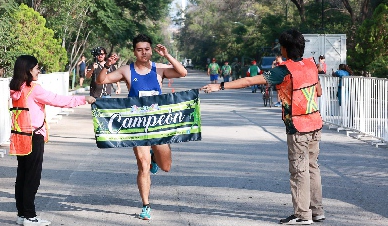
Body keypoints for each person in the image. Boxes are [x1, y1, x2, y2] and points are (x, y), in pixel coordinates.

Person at [201, 29, 325, 225]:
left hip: (298, 126)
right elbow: (318, 91)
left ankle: (302, 215)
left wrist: (221, 86)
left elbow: (250, 80)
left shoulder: (283, 70)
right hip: (315, 123)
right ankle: (317, 211)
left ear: (284, 49)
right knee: (312, 167)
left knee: (299, 170)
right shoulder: (311, 65)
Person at [96, 34, 187, 220]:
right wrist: (106, 65)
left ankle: (156, 158)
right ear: (134, 51)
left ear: (151, 50)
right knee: (142, 165)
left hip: (159, 124)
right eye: (139, 49)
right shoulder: (126, 70)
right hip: (137, 124)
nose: (143, 53)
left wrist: (167, 55)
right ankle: (146, 204)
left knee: (166, 166)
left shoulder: (159, 69)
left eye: (147, 49)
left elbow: (182, 72)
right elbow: (101, 81)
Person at [9, 55, 96, 226]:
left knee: (22, 176)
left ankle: (22, 214)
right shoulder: (34, 89)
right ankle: (29, 216)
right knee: (32, 178)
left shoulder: (16, 88)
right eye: (36, 68)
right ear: (28, 70)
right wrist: (84, 99)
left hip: (20, 135)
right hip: (34, 136)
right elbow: (58, 100)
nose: (38, 71)